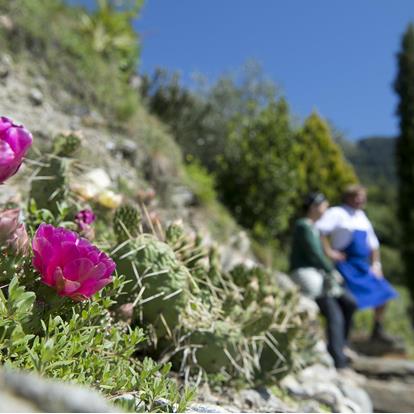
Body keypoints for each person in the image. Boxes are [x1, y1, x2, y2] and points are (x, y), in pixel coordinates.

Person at [316, 184, 398, 344]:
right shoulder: (337, 213)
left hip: (362, 266)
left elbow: (373, 245)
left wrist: (376, 265)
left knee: (384, 292)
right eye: (357, 196)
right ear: (348, 197)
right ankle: (342, 340)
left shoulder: (362, 217)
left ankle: (377, 329)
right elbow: (319, 231)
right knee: (348, 303)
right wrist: (329, 252)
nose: (361, 199)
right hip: (345, 266)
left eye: (362, 196)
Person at [290, 192, 357, 370]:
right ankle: (338, 359)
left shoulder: (314, 228)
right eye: (323, 205)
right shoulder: (303, 226)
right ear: (314, 207)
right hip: (309, 275)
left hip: (320, 275)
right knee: (334, 313)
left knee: (349, 303)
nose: (326, 208)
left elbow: (322, 251)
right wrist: (331, 270)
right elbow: (314, 254)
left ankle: (341, 347)